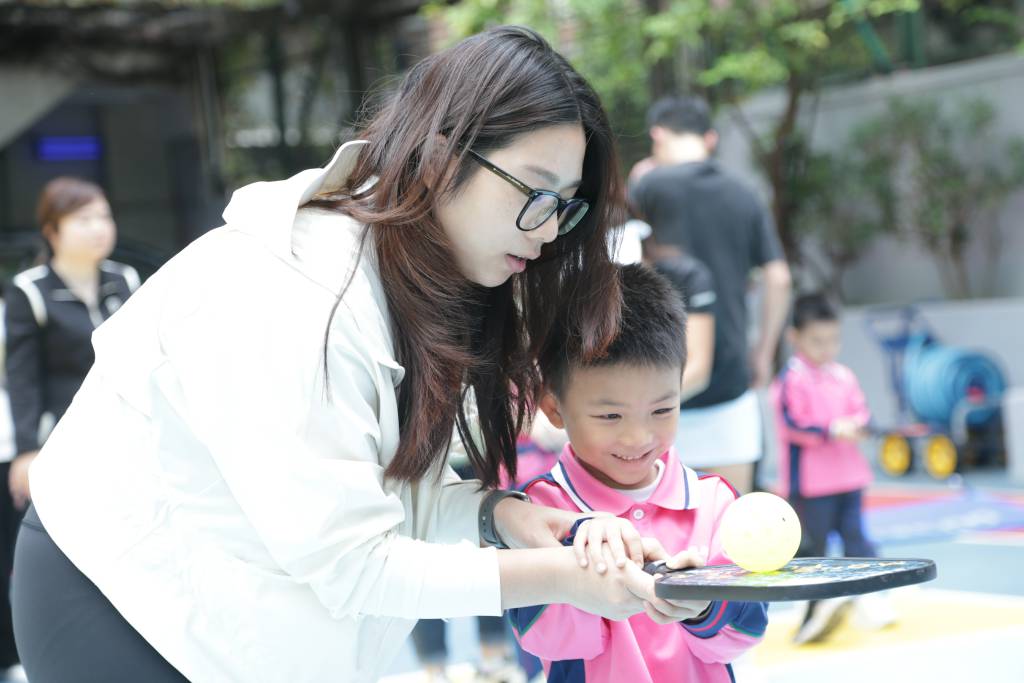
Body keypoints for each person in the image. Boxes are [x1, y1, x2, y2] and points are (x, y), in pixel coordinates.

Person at [12, 27, 690, 683]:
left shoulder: (421, 280)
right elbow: (353, 561)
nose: (545, 231)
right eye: (532, 192)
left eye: (563, 206)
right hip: (121, 603)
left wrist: (505, 518)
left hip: (229, 613)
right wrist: (566, 578)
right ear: (441, 155)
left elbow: (391, 494)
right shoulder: (300, 290)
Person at [510, 263, 768, 682]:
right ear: (554, 408)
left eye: (662, 410)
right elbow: (543, 638)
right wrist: (593, 567)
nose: (638, 438)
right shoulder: (540, 511)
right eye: (610, 415)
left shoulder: (714, 500)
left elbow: (746, 632)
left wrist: (702, 604)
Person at [1, 177, 138, 676]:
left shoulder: (124, 279)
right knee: (59, 551)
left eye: (104, 216)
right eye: (84, 219)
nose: (99, 228)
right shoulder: (31, 291)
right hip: (59, 444)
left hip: (123, 441)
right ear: (52, 230)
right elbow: (21, 378)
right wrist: (25, 451)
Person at [629, 95, 792, 494]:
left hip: (655, 385)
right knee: (731, 519)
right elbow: (779, 278)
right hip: (731, 381)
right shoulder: (743, 192)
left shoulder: (648, 187)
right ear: (711, 138)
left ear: (657, 135)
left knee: (655, 518)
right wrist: (763, 352)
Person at [770, 293, 890, 644]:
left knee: (858, 541)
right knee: (814, 553)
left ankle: (870, 600)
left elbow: (861, 411)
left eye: (833, 340)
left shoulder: (843, 376)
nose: (826, 348)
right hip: (811, 486)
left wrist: (860, 425)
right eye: (817, 341)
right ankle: (812, 613)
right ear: (795, 337)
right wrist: (831, 429)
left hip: (850, 478)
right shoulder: (791, 380)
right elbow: (793, 424)